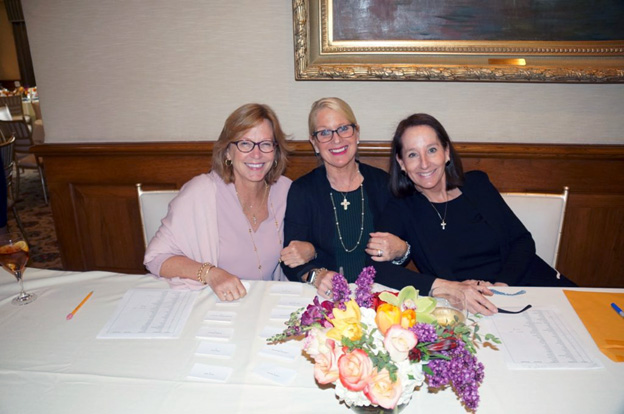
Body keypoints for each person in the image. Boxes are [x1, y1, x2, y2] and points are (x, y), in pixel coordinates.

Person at [374, 113, 576, 315]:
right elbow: (375, 269)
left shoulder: (477, 185)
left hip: (528, 287)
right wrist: (446, 287)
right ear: (401, 162)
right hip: (471, 309)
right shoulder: (401, 207)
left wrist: (501, 288)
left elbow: (521, 241)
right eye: (412, 155)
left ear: (446, 152)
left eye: (432, 150)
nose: (424, 163)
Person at [144, 103, 302, 301]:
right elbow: (155, 258)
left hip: (266, 304)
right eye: (245, 144)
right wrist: (210, 273)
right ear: (227, 151)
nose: (256, 154)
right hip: (214, 304)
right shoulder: (201, 193)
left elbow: (308, 245)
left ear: (276, 151)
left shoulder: (287, 191)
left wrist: (309, 250)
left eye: (265, 144)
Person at [281, 97, 406, 298]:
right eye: (324, 133)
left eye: (343, 129)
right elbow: (290, 262)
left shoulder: (383, 184)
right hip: (324, 298)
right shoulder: (302, 190)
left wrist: (402, 249)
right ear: (314, 143)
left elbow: (403, 250)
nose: (336, 139)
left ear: (357, 133)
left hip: (379, 297)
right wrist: (316, 276)